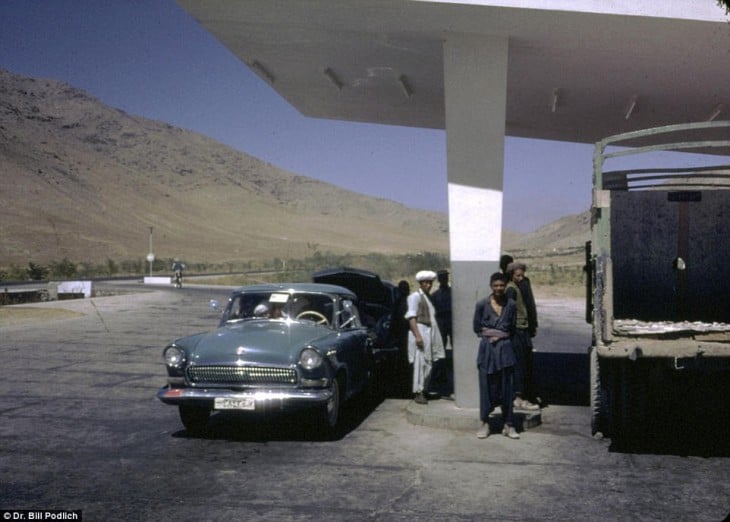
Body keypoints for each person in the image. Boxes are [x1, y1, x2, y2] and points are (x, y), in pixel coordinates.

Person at [473, 272, 520, 439]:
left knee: (507, 388)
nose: (499, 288)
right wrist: (492, 335)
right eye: (496, 285)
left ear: (505, 286)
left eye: (502, 285)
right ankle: (485, 423)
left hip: (505, 351)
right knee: (486, 387)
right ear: (491, 286)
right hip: (487, 351)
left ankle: (509, 424)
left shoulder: (512, 305)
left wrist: (501, 336)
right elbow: (477, 327)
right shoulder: (481, 304)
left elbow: (512, 329)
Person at [405, 270, 445, 404]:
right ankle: (418, 391)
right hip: (421, 331)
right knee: (420, 362)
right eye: (426, 283)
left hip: (430, 332)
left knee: (429, 362)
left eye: (430, 283)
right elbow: (411, 317)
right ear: (420, 283)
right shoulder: (415, 297)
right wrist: (417, 336)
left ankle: (425, 389)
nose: (428, 285)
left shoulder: (428, 297)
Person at [505, 262, 540, 411]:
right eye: (518, 275)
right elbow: (509, 312)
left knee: (525, 363)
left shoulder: (518, 287)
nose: (521, 278)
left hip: (522, 329)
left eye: (522, 275)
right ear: (511, 275)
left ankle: (523, 395)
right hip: (517, 331)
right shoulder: (511, 290)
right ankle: (518, 398)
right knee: (520, 365)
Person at [429, 269, 454, 399]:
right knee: (440, 349)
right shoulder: (435, 295)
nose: (443, 279)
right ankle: (441, 373)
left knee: (455, 346)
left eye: (445, 277)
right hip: (441, 323)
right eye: (441, 277)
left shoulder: (453, 293)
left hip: (451, 322)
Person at [389, 280, 411, 397]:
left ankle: (403, 388)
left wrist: (391, 336)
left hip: (403, 336)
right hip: (407, 336)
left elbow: (393, 321)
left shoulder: (397, 303)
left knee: (402, 364)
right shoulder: (409, 302)